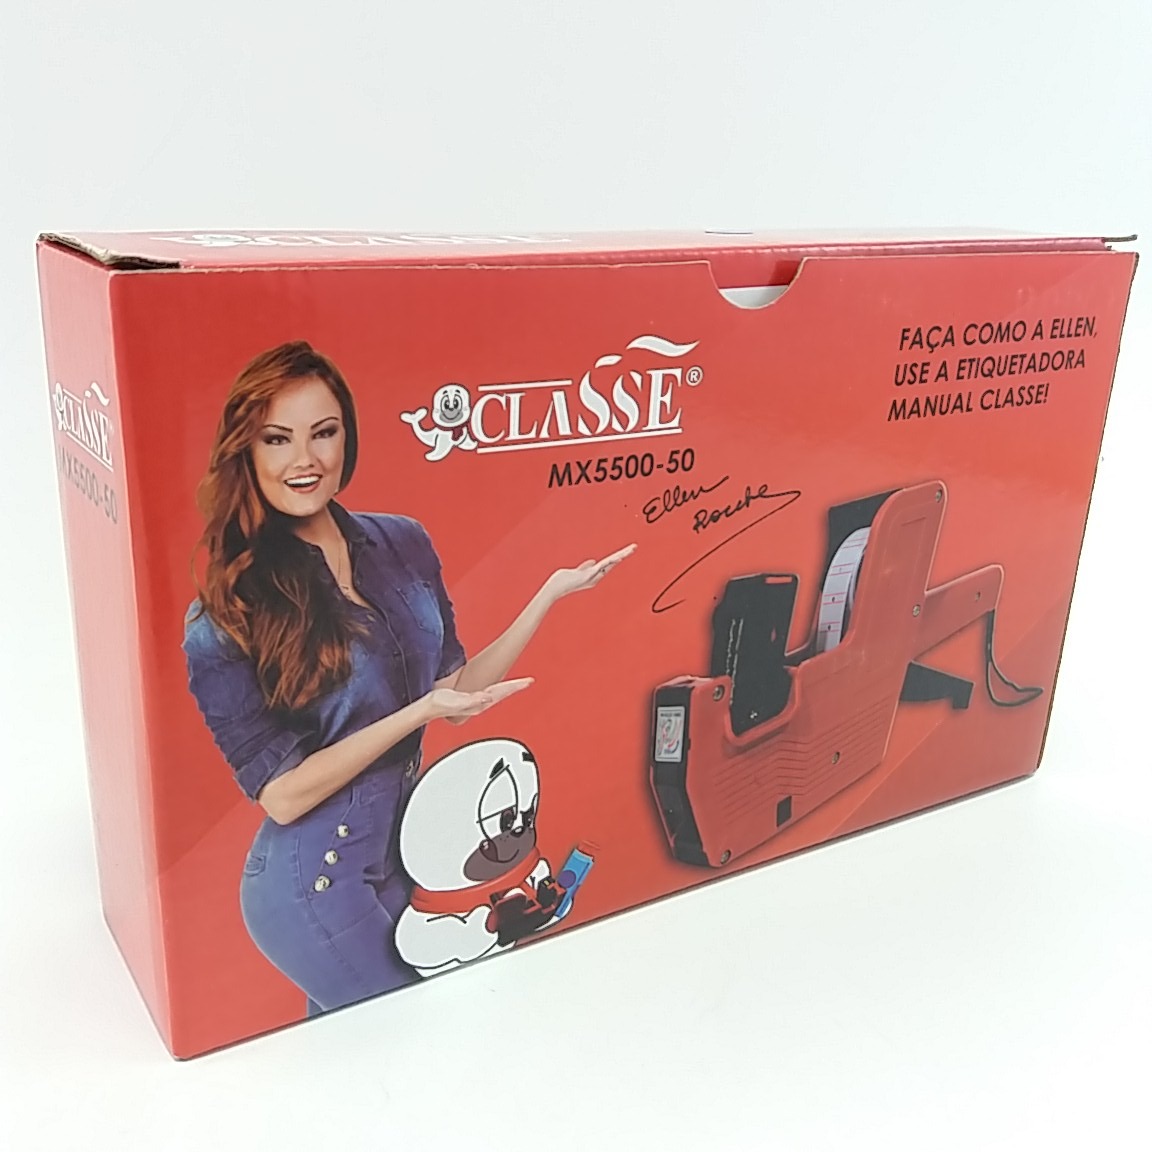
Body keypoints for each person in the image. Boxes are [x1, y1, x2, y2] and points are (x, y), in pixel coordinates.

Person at [182, 340, 634, 1016]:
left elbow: (455, 695)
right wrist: (416, 714)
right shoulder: (225, 614)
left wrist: (548, 594)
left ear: (347, 438)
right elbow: (282, 796)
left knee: (369, 1040)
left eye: (323, 433)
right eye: (277, 439)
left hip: (398, 855)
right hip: (307, 881)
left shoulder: (401, 542)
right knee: (403, 1025)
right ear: (246, 451)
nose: (305, 459)